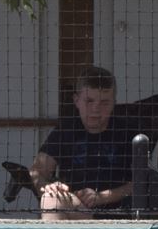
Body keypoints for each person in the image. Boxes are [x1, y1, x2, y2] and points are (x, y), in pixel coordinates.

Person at [31, 65, 135, 219]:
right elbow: (37, 172)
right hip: (76, 208)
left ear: (114, 103)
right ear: (76, 100)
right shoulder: (65, 130)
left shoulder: (127, 133)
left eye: (104, 102)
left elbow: (142, 182)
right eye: (89, 101)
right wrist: (48, 187)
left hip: (117, 216)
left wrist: (101, 197)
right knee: (50, 198)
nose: (95, 109)